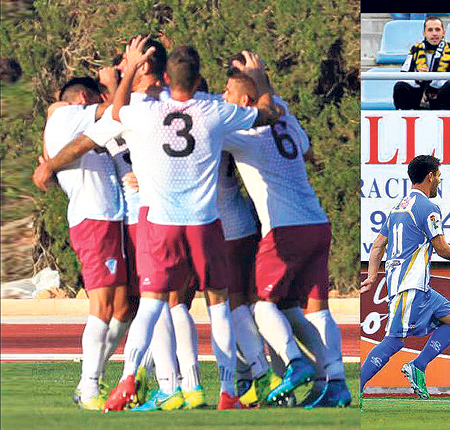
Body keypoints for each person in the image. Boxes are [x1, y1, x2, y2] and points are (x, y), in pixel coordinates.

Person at [101, 38, 281, 412]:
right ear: (200, 77)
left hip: (161, 223)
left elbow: (116, 111)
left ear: (166, 77)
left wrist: (132, 67)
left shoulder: (147, 111)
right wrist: (259, 79)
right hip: (204, 223)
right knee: (218, 306)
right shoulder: (215, 110)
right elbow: (268, 113)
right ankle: (228, 391)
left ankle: (127, 380)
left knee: (152, 305)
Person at [221, 66, 352, 408]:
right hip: (317, 222)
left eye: (228, 93)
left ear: (246, 101)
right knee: (315, 309)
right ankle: (335, 383)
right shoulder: (288, 120)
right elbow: (303, 145)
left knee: (263, 306)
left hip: (283, 229)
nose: (223, 99)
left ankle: (296, 364)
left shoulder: (242, 132)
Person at [360, 155, 450, 404]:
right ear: (430, 176)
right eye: (439, 176)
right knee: (394, 341)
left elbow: (377, 246)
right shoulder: (428, 207)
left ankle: (417, 366)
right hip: (409, 285)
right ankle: (359, 388)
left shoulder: (399, 206)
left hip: (419, 287)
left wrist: (372, 276)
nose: (439, 181)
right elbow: (441, 248)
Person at [39, 76, 128, 410]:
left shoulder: (72, 120)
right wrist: (120, 77)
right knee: (103, 306)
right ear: (81, 100)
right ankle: (89, 388)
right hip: (93, 219)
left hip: (110, 219)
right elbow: (117, 109)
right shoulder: (66, 115)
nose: (98, 106)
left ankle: (91, 380)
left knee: (122, 308)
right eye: (94, 100)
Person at [393, 16, 450, 110]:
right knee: (400, 86)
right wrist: (419, 77)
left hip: (440, 94)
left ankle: (445, 118)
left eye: (437, 30)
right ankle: (406, 118)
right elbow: (404, 75)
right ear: (424, 33)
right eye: (430, 30)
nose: (434, 34)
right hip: (418, 94)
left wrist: (430, 81)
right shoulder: (415, 49)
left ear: (443, 32)